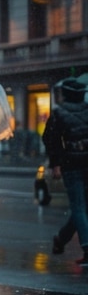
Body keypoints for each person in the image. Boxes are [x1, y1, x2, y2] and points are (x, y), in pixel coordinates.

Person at [43, 78, 88, 266]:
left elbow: (49, 138)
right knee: (82, 208)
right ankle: (61, 239)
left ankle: (85, 247)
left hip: (71, 163)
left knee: (79, 207)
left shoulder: (58, 113)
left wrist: (56, 163)